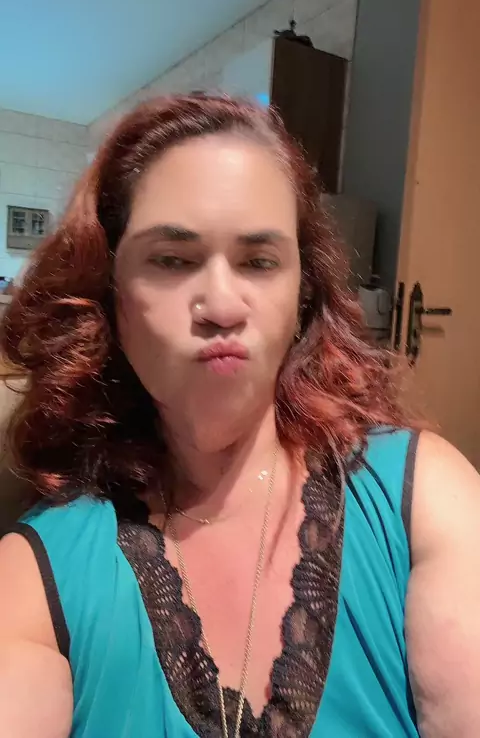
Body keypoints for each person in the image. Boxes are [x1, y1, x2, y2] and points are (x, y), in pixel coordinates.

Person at [0, 94, 478, 738]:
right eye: (172, 260)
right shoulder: (36, 578)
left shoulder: (424, 500)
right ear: (109, 296)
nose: (223, 306)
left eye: (259, 261)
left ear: (302, 297)